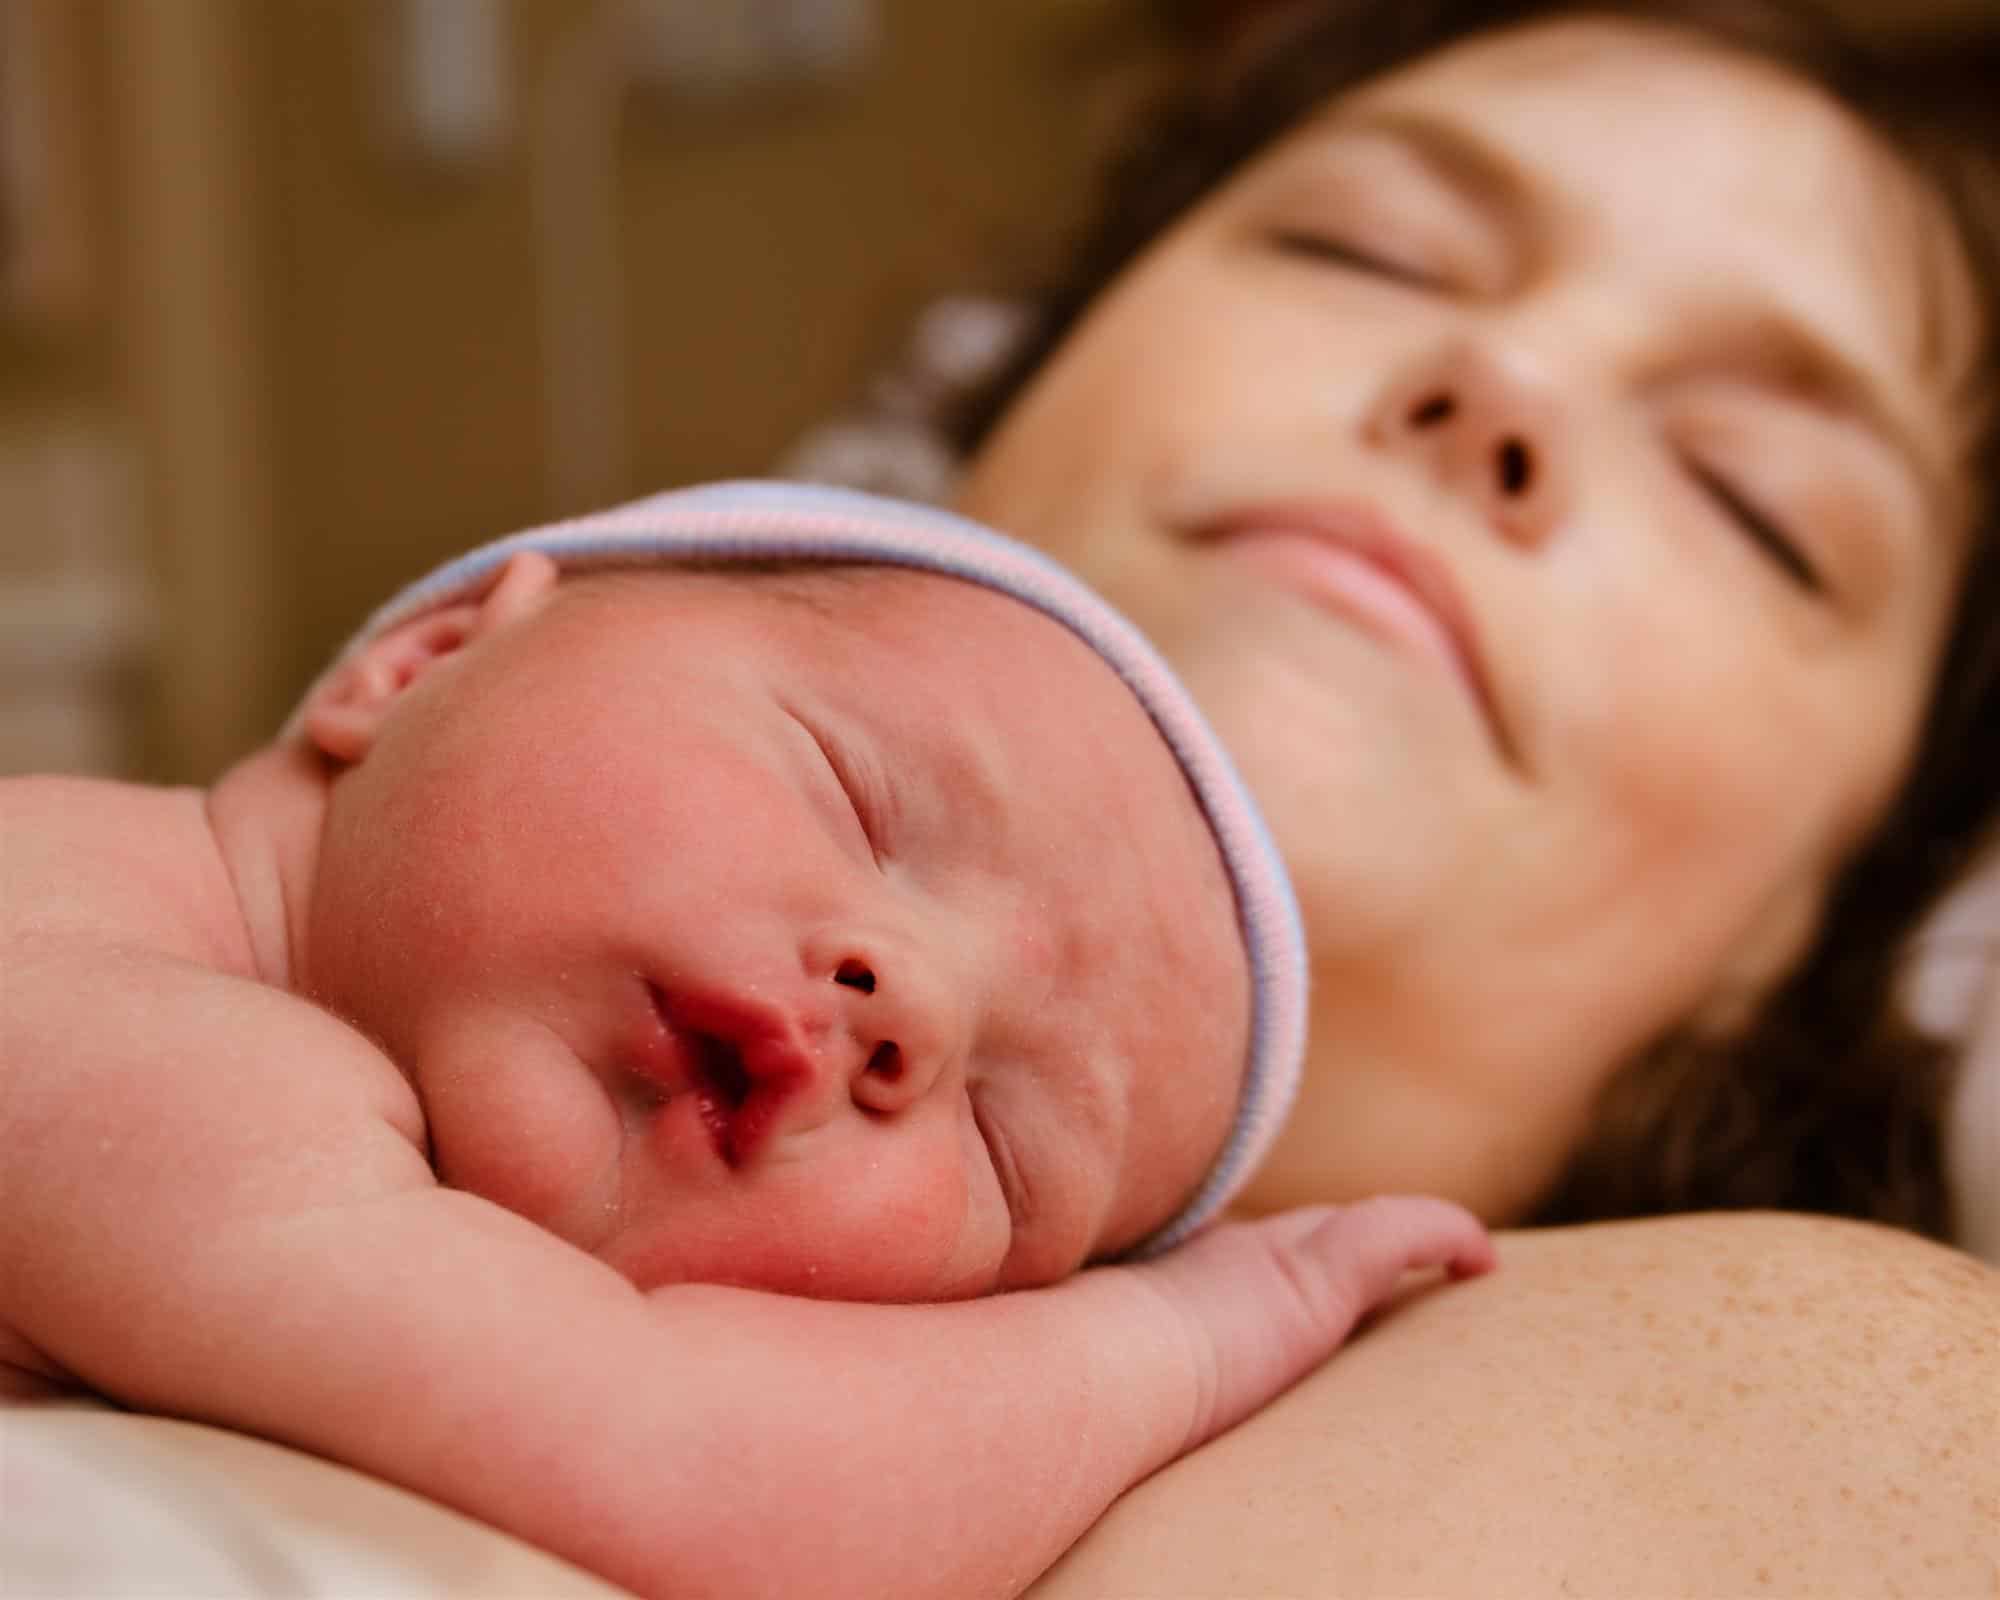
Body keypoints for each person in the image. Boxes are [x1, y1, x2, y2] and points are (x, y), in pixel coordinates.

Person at [933, 0, 2000, 1589]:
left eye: (1753, 502)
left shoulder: (1870, 1422)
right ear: (995, 427)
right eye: (1370, 251)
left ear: (1814, 932)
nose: (1500, 382)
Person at [0, 482, 1495, 1600]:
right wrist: (1192, 1332)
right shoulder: (132, 1027)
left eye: (1005, 1148)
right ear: (423, 660)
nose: (915, 1001)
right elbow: (700, 1467)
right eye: (859, 798)